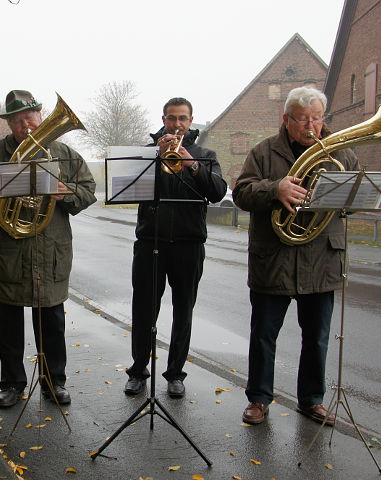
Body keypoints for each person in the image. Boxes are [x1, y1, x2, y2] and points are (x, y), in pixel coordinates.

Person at [0, 90, 96, 408]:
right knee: (9, 321)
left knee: (52, 321)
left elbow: (88, 190)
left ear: (41, 115)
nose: (26, 126)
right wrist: (1, 180)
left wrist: (66, 192)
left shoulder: (63, 153)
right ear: (9, 124)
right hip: (10, 250)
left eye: (30, 117)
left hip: (52, 252)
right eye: (18, 121)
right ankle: (11, 384)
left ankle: (54, 382)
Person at [233, 86, 359, 426]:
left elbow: (356, 197)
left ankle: (312, 400)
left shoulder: (342, 153)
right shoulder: (263, 152)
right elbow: (241, 193)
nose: (311, 127)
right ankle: (259, 399)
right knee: (264, 335)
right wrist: (277, 189)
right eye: (303, 120)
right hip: (273, 258)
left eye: (316, 119)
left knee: (317, 338)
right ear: (286, 119)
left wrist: (345, 197)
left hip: (322, 260)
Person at [124, 97, 227, 398]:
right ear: (164, 119)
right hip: (149, 242)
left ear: (191, 120)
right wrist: (156, 155)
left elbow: (218, 192)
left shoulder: (205, 155)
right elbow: (128, 186)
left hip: (189, 244)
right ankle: (138, 370)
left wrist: (191, 164)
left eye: (183, 118)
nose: (177, 124)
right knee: (143, 310)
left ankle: (175, 374)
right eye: (172, 118)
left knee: (183, 311)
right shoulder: (146, 154)